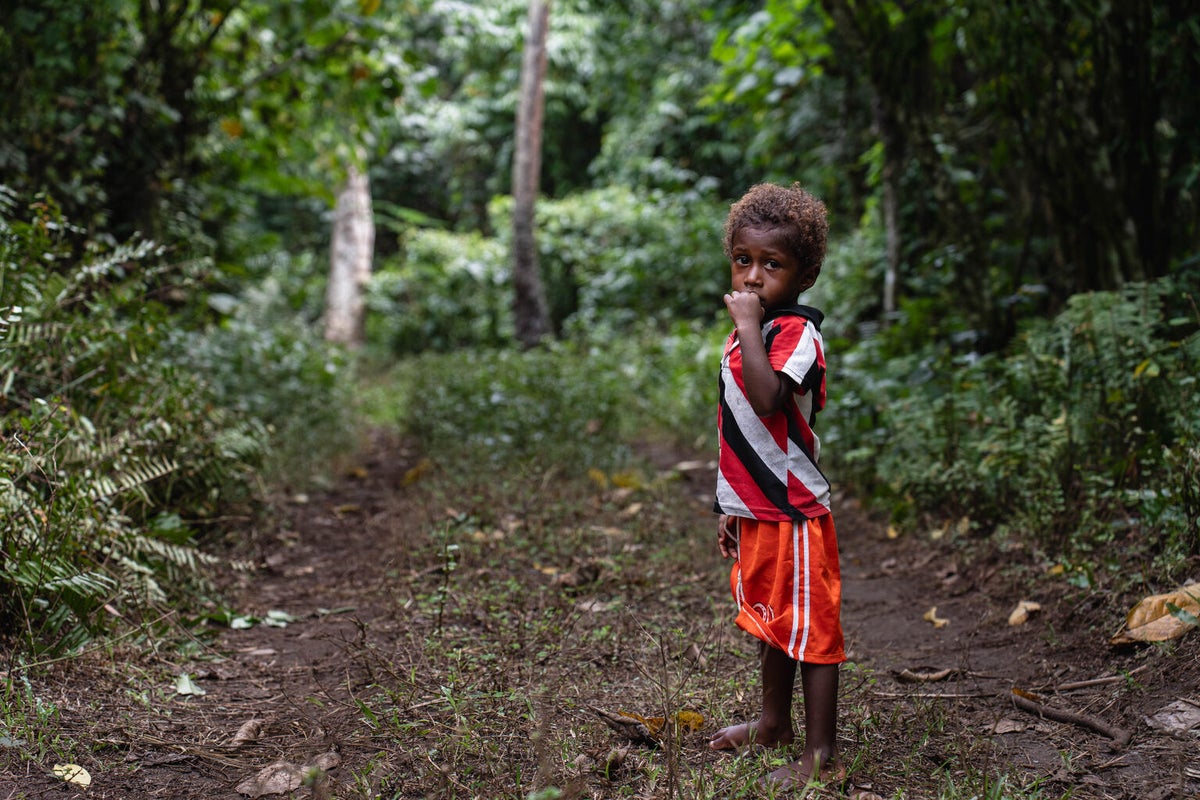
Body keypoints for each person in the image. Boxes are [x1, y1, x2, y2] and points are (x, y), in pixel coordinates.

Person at [708, 182, 846, 793]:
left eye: (773, 264)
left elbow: (767, 400)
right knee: (772, 620)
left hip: (793, 511)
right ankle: (772, 724)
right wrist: (731, 506)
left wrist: (747, 322)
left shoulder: (795, 333)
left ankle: (820, 752)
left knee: (811, 629)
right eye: (744, 260)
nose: (754, 276)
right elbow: (739, 430)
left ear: (805, 274)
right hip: (758, 508)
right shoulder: (754, 329)